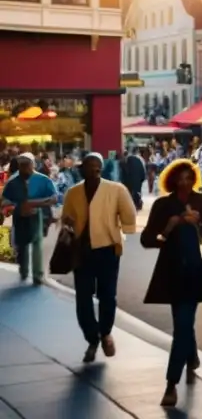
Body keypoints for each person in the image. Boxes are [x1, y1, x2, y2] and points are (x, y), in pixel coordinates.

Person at [140, 159, 202, 408]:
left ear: (194, 179)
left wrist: (200, 223)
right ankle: (191, 357)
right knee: (183, 323)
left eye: (188, 178)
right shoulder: (163, 205)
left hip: (195, 271)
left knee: (183, 325)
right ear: (172, 180)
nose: (184, 183)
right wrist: (170, 226)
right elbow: (147, 239)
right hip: (171, 270)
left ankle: (171, 383)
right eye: (180, 179)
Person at [61, 152, 138, 362]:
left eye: (97, 166)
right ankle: (91, 337)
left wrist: (122, 229)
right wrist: (69, 225)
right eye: (89, 166)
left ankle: (105, 333)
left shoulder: (116, 189)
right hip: (82, 252)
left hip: (107, 250)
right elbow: (66, 217)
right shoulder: (73, 193)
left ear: (102, 168)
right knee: (83, 298)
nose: (94, 170)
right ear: (82, 169)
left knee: (107, 295)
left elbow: (129, 213)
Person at [0, 153, 57, 285]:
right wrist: (16, 207)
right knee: (22, 244)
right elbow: (4, 201)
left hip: (37, 216)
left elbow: (54, 198)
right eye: (22, 166)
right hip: (20, 217)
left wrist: (35, 203)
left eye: (27, 165)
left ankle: (37, 275)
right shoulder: (13, 182)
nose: (25, 169)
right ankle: (24, 270)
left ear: (33, 165)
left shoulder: (43, 180)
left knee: (37, 244)